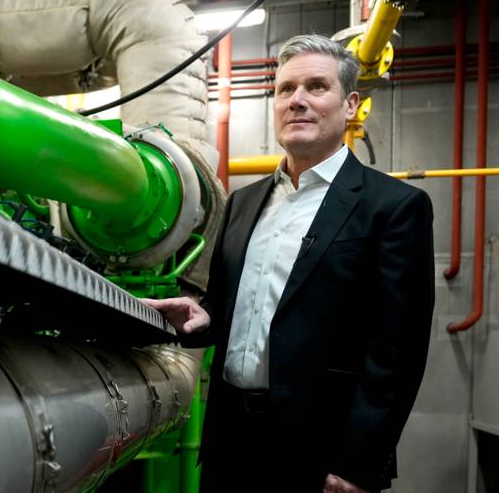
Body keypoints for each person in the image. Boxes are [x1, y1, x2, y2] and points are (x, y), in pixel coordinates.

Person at [145, 34, 434, 493]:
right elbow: (238, 310)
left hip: (321, 456)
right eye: (285, 89)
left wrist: (357, 463)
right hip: (231, 446)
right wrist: (205, 316)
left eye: (316, 87)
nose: (297, 100)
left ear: (350, 104)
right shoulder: (243, 202)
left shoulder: (393, 207)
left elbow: (397, 352)